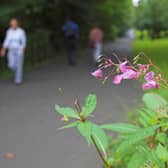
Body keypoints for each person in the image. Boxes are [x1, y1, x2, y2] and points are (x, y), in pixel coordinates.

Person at [0, 18, 26, 85]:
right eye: (11, 24)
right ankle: (16, 71)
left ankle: (18, 80)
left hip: (18, 50)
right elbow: (6, 41)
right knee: (11, 65)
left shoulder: (21, 31)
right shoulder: (9, 31)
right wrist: (3, 49)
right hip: (11, 50)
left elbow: (23, 41)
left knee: (19, 65)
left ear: (17, 24)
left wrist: (23, 49)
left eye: (14, 24)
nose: (13, 25)